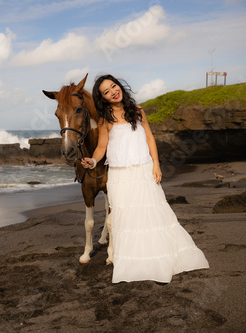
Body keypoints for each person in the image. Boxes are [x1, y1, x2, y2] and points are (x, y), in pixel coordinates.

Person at [81, 74, 209, 283]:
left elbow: (149, 137)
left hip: (143, 170)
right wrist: (93, 162)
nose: (113, 91)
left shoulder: (137, 111)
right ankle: (136, 261)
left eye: (114, 86)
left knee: (153, 213)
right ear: (103, 98)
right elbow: (102, 147)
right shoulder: (105, 120)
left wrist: (156, 164)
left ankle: (161, 257)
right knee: (127, 219)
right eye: (106, 91)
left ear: (119, 86)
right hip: (120, 176)